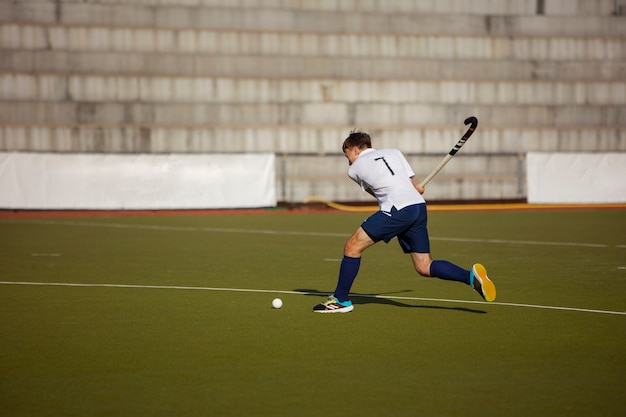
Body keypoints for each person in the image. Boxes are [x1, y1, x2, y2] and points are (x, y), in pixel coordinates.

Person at [313, 131, 496, 313]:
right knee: (424, 266)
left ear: (354, 149)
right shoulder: (394, 152)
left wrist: (410, 190)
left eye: (348, 156)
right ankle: (470, 277)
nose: (349, 161)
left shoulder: (354, 169)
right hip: (418, 206)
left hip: (396, 209)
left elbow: (377, 192)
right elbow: (407, 184)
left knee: (352, 247)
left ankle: (340, 300)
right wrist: (415, 189)